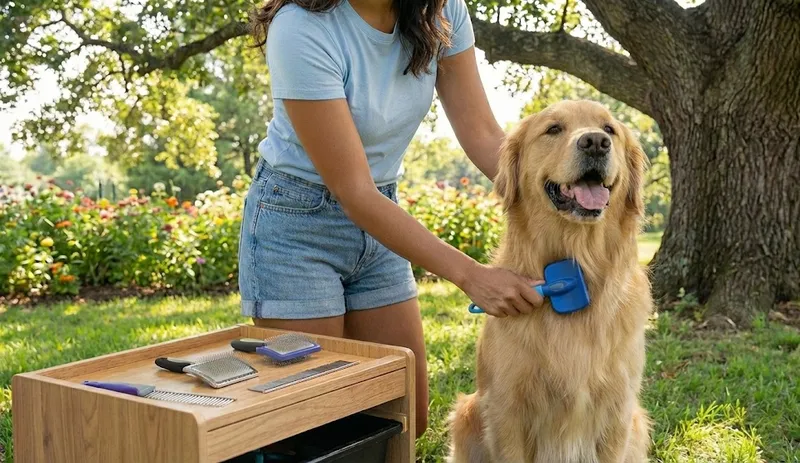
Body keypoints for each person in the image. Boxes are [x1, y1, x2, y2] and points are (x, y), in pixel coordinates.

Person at [242, 0, 545, 437]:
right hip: (296, 225)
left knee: (403, 419)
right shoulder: (300, 28)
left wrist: (555, 197)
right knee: (314, 423)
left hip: (381, 214)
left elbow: (482, 133)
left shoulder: (441, 11)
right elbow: (355, 194)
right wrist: (472, 275)